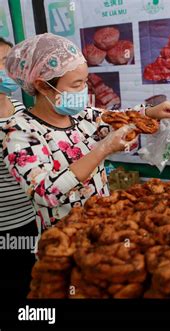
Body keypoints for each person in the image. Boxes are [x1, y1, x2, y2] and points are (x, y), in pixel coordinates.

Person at [2, 33, 170, 233]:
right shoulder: (19, 132)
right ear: (43, 86)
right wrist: (102, 150)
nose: (83, 90)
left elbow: (117, 118)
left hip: (103, 226)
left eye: (85, 82)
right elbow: (45, 193)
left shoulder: (81, 115)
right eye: (76, 85)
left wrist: (150, 112)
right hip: (66, 238)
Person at [0, 37, 37, 299]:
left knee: (33, 282)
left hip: (31, 216)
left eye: (11, 61)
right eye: (3, 63)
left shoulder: (18, 106)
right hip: (4, 225)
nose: (10, 69)